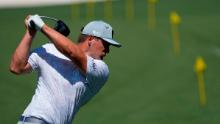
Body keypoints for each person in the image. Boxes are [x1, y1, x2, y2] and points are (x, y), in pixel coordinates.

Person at [10, 14, 121, 124]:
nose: (107, 51)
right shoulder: (49, 48)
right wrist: (30, 33)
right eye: (106, 44)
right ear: (91, 39)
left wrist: (42, 26)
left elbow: (73, 53)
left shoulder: (101, 69)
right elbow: (17, 67)